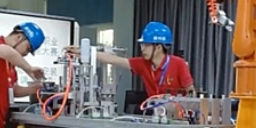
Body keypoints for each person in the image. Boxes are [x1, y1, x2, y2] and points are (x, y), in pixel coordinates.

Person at [66, 22, 195, 98]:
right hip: (155, 115)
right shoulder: (143, 64)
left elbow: (191, 93)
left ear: (159, 47)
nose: (142, 49)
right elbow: (114, 60)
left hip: (178, 118)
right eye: (142, 45)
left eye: (146, 45)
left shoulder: (178, 64)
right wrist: (84, 51)